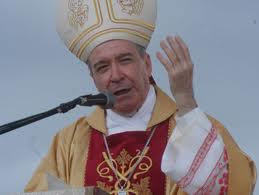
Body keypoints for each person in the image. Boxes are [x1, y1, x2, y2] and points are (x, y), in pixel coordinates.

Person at [25, 0, 256, 194]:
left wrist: (186, 100)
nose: (115, 76)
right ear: (92, 77)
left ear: (146, 65)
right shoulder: (71, 142)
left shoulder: (190, 128)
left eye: (124, 60)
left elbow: (238, 187)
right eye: (103, 67)